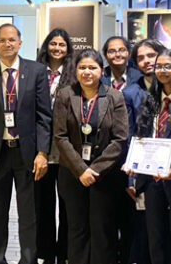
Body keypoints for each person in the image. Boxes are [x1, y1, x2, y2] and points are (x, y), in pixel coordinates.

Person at [0, 23, 52, 264]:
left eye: (12, 40)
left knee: (28, 214)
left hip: (27, 154)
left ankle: (28, 259)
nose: (7, 44)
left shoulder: (36, 71)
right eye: (2, 40)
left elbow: (44, 116)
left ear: (20, 43)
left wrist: (43, 152)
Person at [52, 48, 128, 264]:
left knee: (103, 227)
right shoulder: (66, 95)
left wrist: (94, 170)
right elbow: (60, 136)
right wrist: (81, 170)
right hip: (72, 174)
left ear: (101, 70)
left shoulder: (114, 96)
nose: (87, 72)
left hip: (104, 177)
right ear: (76, 71)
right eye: (82, 67)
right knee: (76, 228)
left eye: (92, 67)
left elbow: (120, 139)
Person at [126, 49, 171, 264]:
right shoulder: (151, 100)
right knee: (155, 238)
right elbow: (142, 137)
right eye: (159, 66)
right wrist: (134, 166)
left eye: (169, 66)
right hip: (151, 179)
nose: (162, 71)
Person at [122, 38, 166, 264]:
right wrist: (132, 177)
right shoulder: (130, 93)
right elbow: (129, 135)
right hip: (143, 168)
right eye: (140, 57)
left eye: (151, 55)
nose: (147, 61)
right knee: (144, 227)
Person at [34, 28, 73, 264]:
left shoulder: (74, 75)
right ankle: (46, 255)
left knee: (68, 206)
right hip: (40, 149)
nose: (57, 48)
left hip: (66, 150)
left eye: (62, 44)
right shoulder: (36, 72)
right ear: (46, 46)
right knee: (43, 206)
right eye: (53, 44)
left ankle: (65, 254)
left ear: (68, 49)